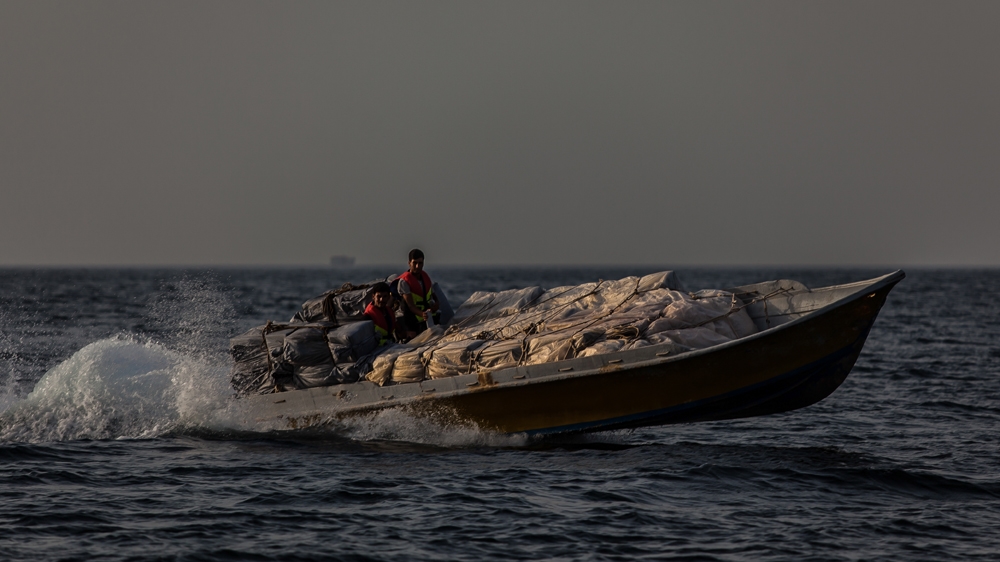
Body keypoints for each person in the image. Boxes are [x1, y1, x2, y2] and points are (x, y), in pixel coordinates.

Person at [398, 248, 439, 339]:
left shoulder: (426, 278)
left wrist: (436, 304)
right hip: (412, 320)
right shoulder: (404, 282)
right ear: (409, 263)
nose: (417, 266)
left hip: (428, 318)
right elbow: (411, 306)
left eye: (420, 263)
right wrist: (422, 314)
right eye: (414, 263)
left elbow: (434, 296)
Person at [364, 282, 399, 347]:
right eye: (379, 296)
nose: (381, 299)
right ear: (373, 296)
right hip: (377, 350)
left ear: (388, 297)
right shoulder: (368, 316)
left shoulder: (389, 311)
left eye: (384, 296)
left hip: (391, 345)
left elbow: (398, 330)